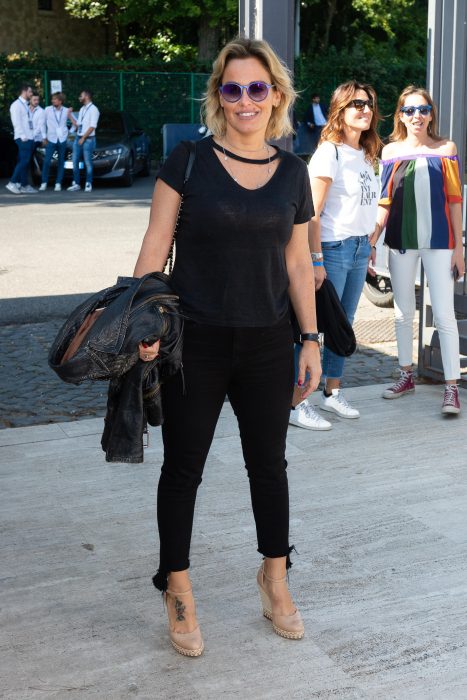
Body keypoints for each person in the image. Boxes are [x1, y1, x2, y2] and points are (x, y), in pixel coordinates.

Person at [133, 36, 321, 656]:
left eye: (257, 88)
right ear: (219, 95)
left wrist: (310, 340)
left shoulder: (293, 173)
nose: (246, 100)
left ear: (276, 96)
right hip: (195, 343)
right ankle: (177, 587)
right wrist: (142, 322)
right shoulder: (187, 161)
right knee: (183, 469)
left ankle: (275, 578)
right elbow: (155, 245)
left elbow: (299, 263)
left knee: (269, 466)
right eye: (233, 88)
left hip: (268, 342)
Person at [290, 81, 380, 429]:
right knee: (311, 327)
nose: (365, 109)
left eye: (369, 104)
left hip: (358, 248)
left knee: (344, 323)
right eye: (357, 104)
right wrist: (315, 260)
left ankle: (332, 392)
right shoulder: (331, 152)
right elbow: (312, 214)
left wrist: (369, 243)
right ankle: (297, 402)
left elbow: (366, 205)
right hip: (332, 248)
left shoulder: (366, 155)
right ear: (339, 111)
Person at [372, 86, 464, 414]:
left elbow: (455, 200)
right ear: (400, 115)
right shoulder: (390, 152)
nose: (417, 116)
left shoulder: (446, 148)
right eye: (409, 110)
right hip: (401, 240)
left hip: (440, 242)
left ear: (431, 114)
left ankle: (451, 388)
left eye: (423, 110)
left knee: (444, 313)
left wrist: (459, 248)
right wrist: (372, 238)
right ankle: (405, 376)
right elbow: (384, 200)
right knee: (402, 312)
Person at [5, 83, 36, 195]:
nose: (31, 94)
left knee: (24, 161)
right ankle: (12, 182)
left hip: (29, 137)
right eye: (30, 91)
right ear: (24, 91)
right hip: (23, 138)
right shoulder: (16, 105)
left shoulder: (25, 105)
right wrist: (23, 136)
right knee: (24, 161)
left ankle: (23, 185)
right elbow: (16, 122)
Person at [67, 89, 99, 193]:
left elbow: (92, 126)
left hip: (88, 139)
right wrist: (69, 115)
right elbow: (78, 125)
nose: (79, 98)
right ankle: (76, 183)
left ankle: (88, 183)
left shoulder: (94, 109)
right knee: (75, 161)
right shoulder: (82, 109)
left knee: (87, 162)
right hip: (79, 137)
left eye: (81, 96)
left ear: (87, 96)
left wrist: (83, 138)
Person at [39, 92, 71, 192]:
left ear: (60, 101)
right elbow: (42, 123)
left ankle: (58, 183)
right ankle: (44, 182)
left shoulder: (66, 110)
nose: (52, 101)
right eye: (52, 99)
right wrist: (44, 137)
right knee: (47, 161)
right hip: (51, 139)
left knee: (61, 162)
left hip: (62, 139)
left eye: (55, 99)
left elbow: (75, 123)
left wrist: (69, 132)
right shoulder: (47, 109)